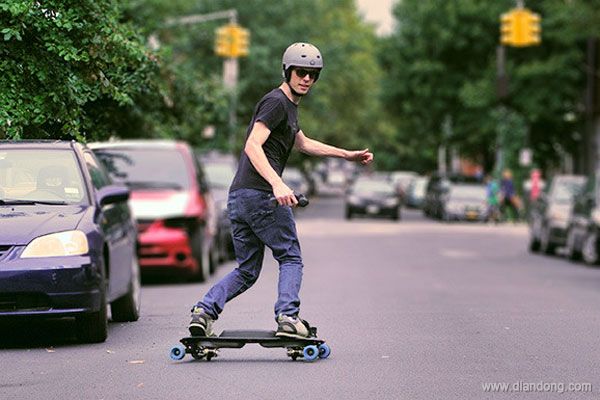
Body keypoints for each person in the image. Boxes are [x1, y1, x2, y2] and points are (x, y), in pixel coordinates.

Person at [188, 42, 374, 339]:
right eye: (301, 72)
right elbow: (252, 144)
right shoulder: (276, 103)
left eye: (313, 75)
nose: (307, 80)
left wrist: (346, 154)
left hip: (240, 197)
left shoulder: (288, 108)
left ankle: (204, 311)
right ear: (287, 71)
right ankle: (288, 316)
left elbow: (303, 143)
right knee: (290, 257)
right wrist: (277, 183)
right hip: (263, 197)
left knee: (247, 270)